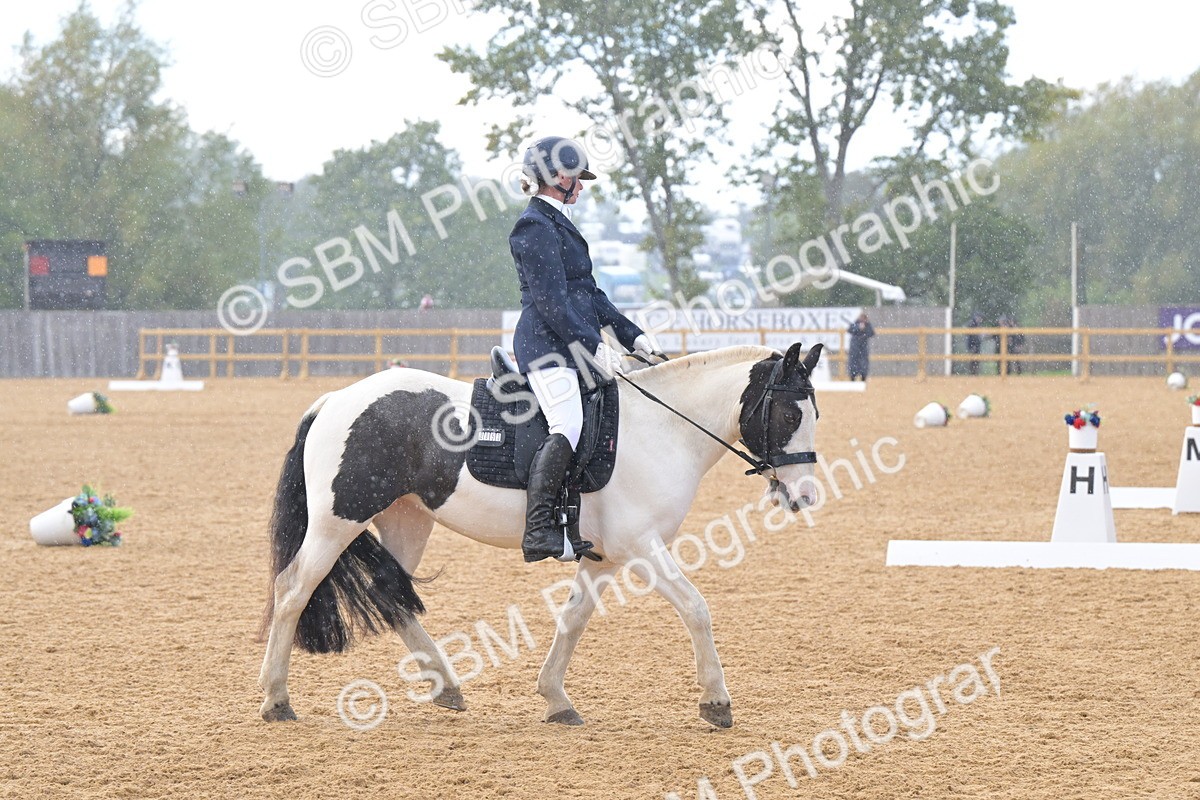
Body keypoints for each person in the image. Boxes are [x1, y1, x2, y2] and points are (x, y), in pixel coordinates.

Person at [509, 136, 660, 563]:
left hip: (570, 343)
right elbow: (552, 303)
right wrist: (594, 346)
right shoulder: (534, 225)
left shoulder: (560, 224)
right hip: (546, 346)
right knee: (568, 422)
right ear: (559, 177)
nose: (581, 186)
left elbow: (590, 294)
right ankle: (539, 529)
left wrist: (632, 336)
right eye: (577, 178)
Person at [846, 310, 875, 381]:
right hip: (855, 347)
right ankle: (853, 377)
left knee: (863, 362)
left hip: (863, 347)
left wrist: (864, 330)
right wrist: (858, 328)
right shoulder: (855, 323)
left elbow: (871, 333)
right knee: (853, 362)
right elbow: (850, 330)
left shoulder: (868, 325)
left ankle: (863, 377)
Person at [965, 310, 983, 375]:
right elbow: (972, 337)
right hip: (973, 346)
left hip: (976, 346)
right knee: (973, 361)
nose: (980, 320)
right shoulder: (972, 324)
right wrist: (973, 346)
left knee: (975, 361)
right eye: (979, 318)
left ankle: (974, 373)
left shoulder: (976, 325)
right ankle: (973, 374)